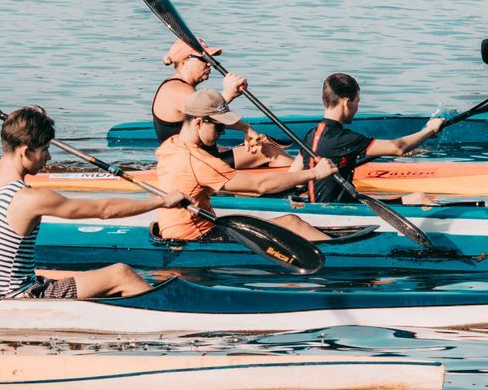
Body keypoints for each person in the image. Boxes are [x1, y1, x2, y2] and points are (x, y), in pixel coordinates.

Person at [0, 106, 192, 299]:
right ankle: (169, 319)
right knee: (121, 273)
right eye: (45, 149)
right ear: (26, 151)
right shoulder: (29, 199)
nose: (49, 158)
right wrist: (162, 201)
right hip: (19, 299)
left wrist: (18, 127)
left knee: (83, 280)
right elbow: (104, 210)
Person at [156, 89, 337, 243]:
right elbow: (260, 185)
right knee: (292, 222)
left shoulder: (170, 146)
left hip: (184, 230)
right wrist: (314, 173)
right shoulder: (198, 160)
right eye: (219, 127)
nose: (223, 132)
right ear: (198, 122)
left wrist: (245, 128)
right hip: (197, 238)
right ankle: (341, 252)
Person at [300, 73, 444, 203]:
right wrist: (430, 129)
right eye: (357, 101)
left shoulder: (310, 136)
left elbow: (294, 174)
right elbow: (398, 148)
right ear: (346, 103)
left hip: (321, 204)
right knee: (419, 198)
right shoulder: (343, 139)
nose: (357, 107)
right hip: (340, 211)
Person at [147, 40, 289, 169]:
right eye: (204, 59)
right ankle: (307, 177)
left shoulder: (182, 87)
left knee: (256, 146)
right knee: (269, 151)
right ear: (184, 62)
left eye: (211, 59)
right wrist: (228, 94)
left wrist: (246, 129)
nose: (209, 63)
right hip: (191, 165)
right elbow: (208, 112)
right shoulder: (176, 90)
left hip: (197, 157)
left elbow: (209, 115)